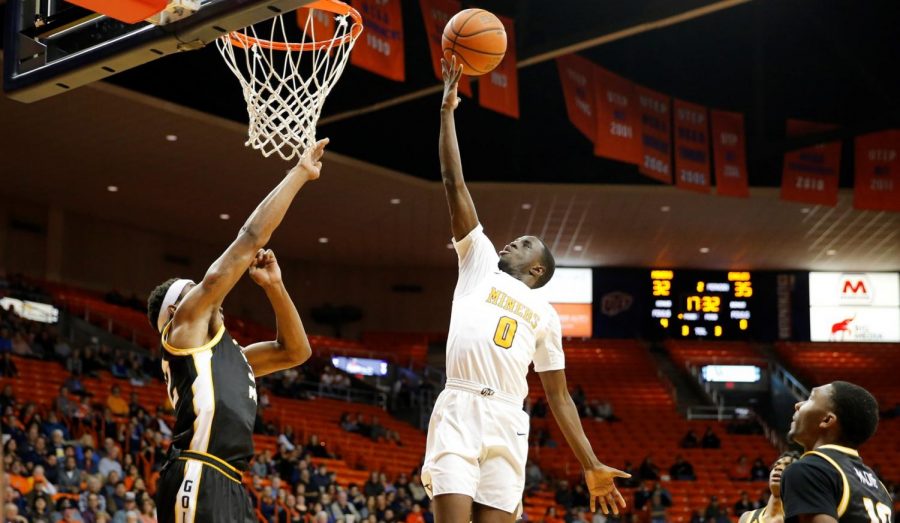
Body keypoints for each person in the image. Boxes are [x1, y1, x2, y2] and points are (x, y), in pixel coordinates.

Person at [420, 55, 629, 523]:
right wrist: (446, 113)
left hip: (510, 420)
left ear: (538, 270)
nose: (515, 240)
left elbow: (558, 396)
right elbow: (454, 183)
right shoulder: (479, 263)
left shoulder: (546, 314)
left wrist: (590, 462)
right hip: (461, 403)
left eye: (527, 244)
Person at [148, 139, 326, 522]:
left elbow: (295, 352)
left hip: (230, 483)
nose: (205, 291)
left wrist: (275, 288)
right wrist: (299, 174)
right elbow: (249, 239)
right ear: (178, 310)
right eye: (193, 290)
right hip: (197, 472)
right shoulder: (185, 329)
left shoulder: (231, 356)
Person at [781, 382, 893, 523]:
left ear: (827, 420)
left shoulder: (811, 469)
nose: (798, 405)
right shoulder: (879, 486)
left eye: (810, 398)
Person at [738, 451, 800, 523]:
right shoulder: (746, 517)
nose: (778, 467)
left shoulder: (805, 519)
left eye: (787, 466)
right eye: (776, 465)